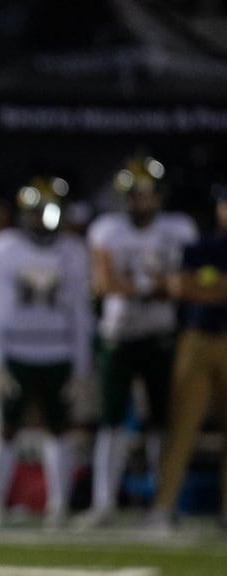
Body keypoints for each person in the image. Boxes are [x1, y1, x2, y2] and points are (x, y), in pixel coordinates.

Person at [83, 157, 198, 526]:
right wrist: (156, 285)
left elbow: (186, 284)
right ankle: (104, 502)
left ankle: (162, 503)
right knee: (111, 420)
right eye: (134, 195)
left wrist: (143, 286)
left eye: (146, 195)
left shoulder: (179, 228)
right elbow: (106, 284)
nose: (140, 202)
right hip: (118, 335)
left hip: (161, 334)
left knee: (161, 421)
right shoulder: (107, 230)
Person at [0, 178, 92, 530]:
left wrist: (80, 366)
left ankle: (58, 506)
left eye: (48, 211)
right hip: (16, 349)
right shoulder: (3, 248)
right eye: (35, 211)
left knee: (59, 428)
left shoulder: (73, 250)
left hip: (57, 349)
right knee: (5, 428)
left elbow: (80, 312)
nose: (42, 219)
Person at [152, 183, 227, 530]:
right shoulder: (202, 246)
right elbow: (181, 287)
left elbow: (194, 287)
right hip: (197, 341)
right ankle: (163, 507)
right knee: (181, 426)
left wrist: (207, 288)